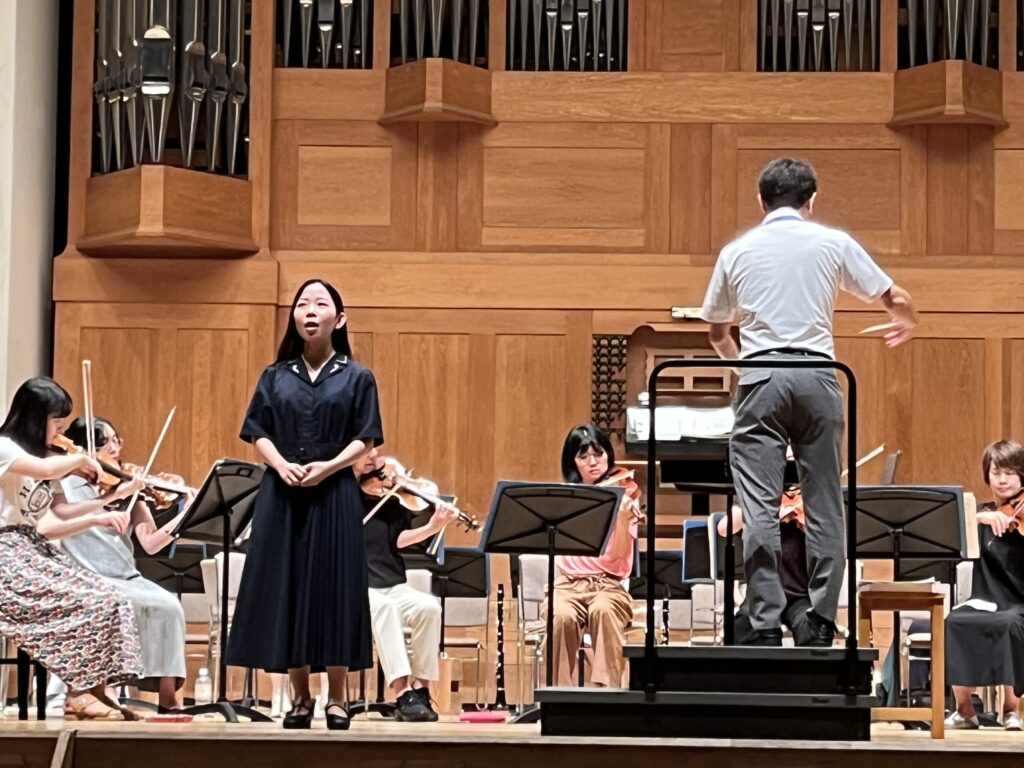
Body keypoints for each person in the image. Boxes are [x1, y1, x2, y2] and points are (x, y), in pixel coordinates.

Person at [700, 157, 918, 647]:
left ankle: (763, 623)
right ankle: (819, 620)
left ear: (761, 201)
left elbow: (717, 333)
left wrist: (746, 370)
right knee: (825, 505)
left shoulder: (737, 251)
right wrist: (909, 318)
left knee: (759, 507)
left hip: (762, 376)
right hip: (819, 375)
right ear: (812, 200)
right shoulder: (833, 243)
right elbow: (895, 297)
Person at [226, 278, 383, 730]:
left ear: (340, 318)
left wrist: (328, 467)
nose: (310, 310)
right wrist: (279, 465)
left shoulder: (357, 376)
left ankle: (337, 698)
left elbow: (366, 437)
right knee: (288, 586)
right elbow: (257, 431)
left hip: (336, 492)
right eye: (302, 304)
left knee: (336, 588)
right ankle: (299, 697)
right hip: (283, 492)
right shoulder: (275, 376)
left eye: (320, 303)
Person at [0, 377, 143, 720]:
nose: (61, 433)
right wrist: (79, 458)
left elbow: (58, 514)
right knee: (83, 600)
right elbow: (44, 468)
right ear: (35, 418)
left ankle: (93, 689)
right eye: (57, 424)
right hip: (6, 553)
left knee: (110, 596)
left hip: (31, 547)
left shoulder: (47, 458)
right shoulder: (6, 448)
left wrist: (113, 496)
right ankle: (77, 692)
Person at [49, 416, 189, 711]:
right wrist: (113, 495)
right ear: (84, 449)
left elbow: (151, 543)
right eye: (105, 442)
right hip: (87, 576)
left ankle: (168, 696)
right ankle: (103, 689)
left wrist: (185, 514)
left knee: (170, 606)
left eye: (116, 440)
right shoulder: (66, 487)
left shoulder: (129, 488)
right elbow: (59, 520)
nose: (114, 448)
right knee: (117, 605)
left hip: (126, 576)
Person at [355, 447, 458, 721]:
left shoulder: (391, 499)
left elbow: (398, 540)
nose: (375, 457)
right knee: (385, 607)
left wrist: (433, 527)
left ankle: (421, 688)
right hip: (357, 586)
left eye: (376, 450)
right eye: (367, 451)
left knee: (429, 607)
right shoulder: (343, 496)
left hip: (393, 583)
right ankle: (401, 692)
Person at [548, 424, 640, 687]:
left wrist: (622, 520)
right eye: (583, 456)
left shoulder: (625, 494)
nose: (592, 462)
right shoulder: (565, 500)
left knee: (604, 610)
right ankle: (558, 694)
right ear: (573, 462)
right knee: (560, 616)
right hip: (568, 584)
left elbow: (618, 558)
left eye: (598, 454)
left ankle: (606, 694)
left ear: (608, 455)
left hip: (608, 584)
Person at [945, 440, 1024, 731]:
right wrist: (982, 517)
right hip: (985, 598)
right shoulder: (979, 514)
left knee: (1012, 624)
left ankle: (1010, 709)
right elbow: (952, 528)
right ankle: (965, 711)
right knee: (954, 621)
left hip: (1018, 600)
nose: (1002, 480)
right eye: (995, 472)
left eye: (1010, 473)